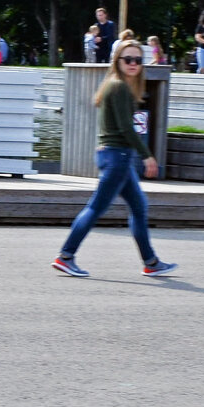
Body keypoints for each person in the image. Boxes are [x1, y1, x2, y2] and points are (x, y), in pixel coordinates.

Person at [52, 39, 177, 279]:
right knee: (96, 207)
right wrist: (147, 156)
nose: (133, 64)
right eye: (128, 59)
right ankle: (65, 256)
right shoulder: (118, 86)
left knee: (139, 207)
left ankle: (151, 262)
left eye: (138, 60)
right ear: (117, 61)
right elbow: (126, 129)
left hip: (115, 156)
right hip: (118, 157)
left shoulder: (115, 85)